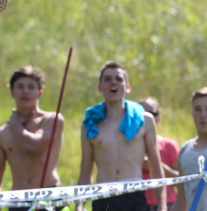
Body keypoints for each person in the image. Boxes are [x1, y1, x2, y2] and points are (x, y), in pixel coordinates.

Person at [77, 61, 167, 211]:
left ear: (127, 86)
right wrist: (79, 206)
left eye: (119, 79)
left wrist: (162, 207)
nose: (113, 82)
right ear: (100, 87)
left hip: (133, 195)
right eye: (107, 79)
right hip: (103, 196)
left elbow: (156, 169)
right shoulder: (90, 125)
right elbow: (85, 173)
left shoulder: (144, 120)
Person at [0, 65, 64, 193]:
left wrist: (15, 124)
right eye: (20, 87)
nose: (25, 91)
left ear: (40, 93)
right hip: (19, 201)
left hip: (51, 196)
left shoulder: (52, 120)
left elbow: (32, 146)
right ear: (12, 92)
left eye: (31, 87)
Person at [139, 97, 180, 211]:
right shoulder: (128, 147)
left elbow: (181, 181)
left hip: (167, 203)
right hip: (136, 203)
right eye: (141, 112)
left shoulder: (169, 145)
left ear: (158, 118)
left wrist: (159, 167)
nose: (146, 116)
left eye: (152, 113)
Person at [172, 87, 207, 211]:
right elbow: (181, 201)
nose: (203, 115)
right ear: (192, 113)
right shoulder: (185, 149)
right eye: (198, 109)